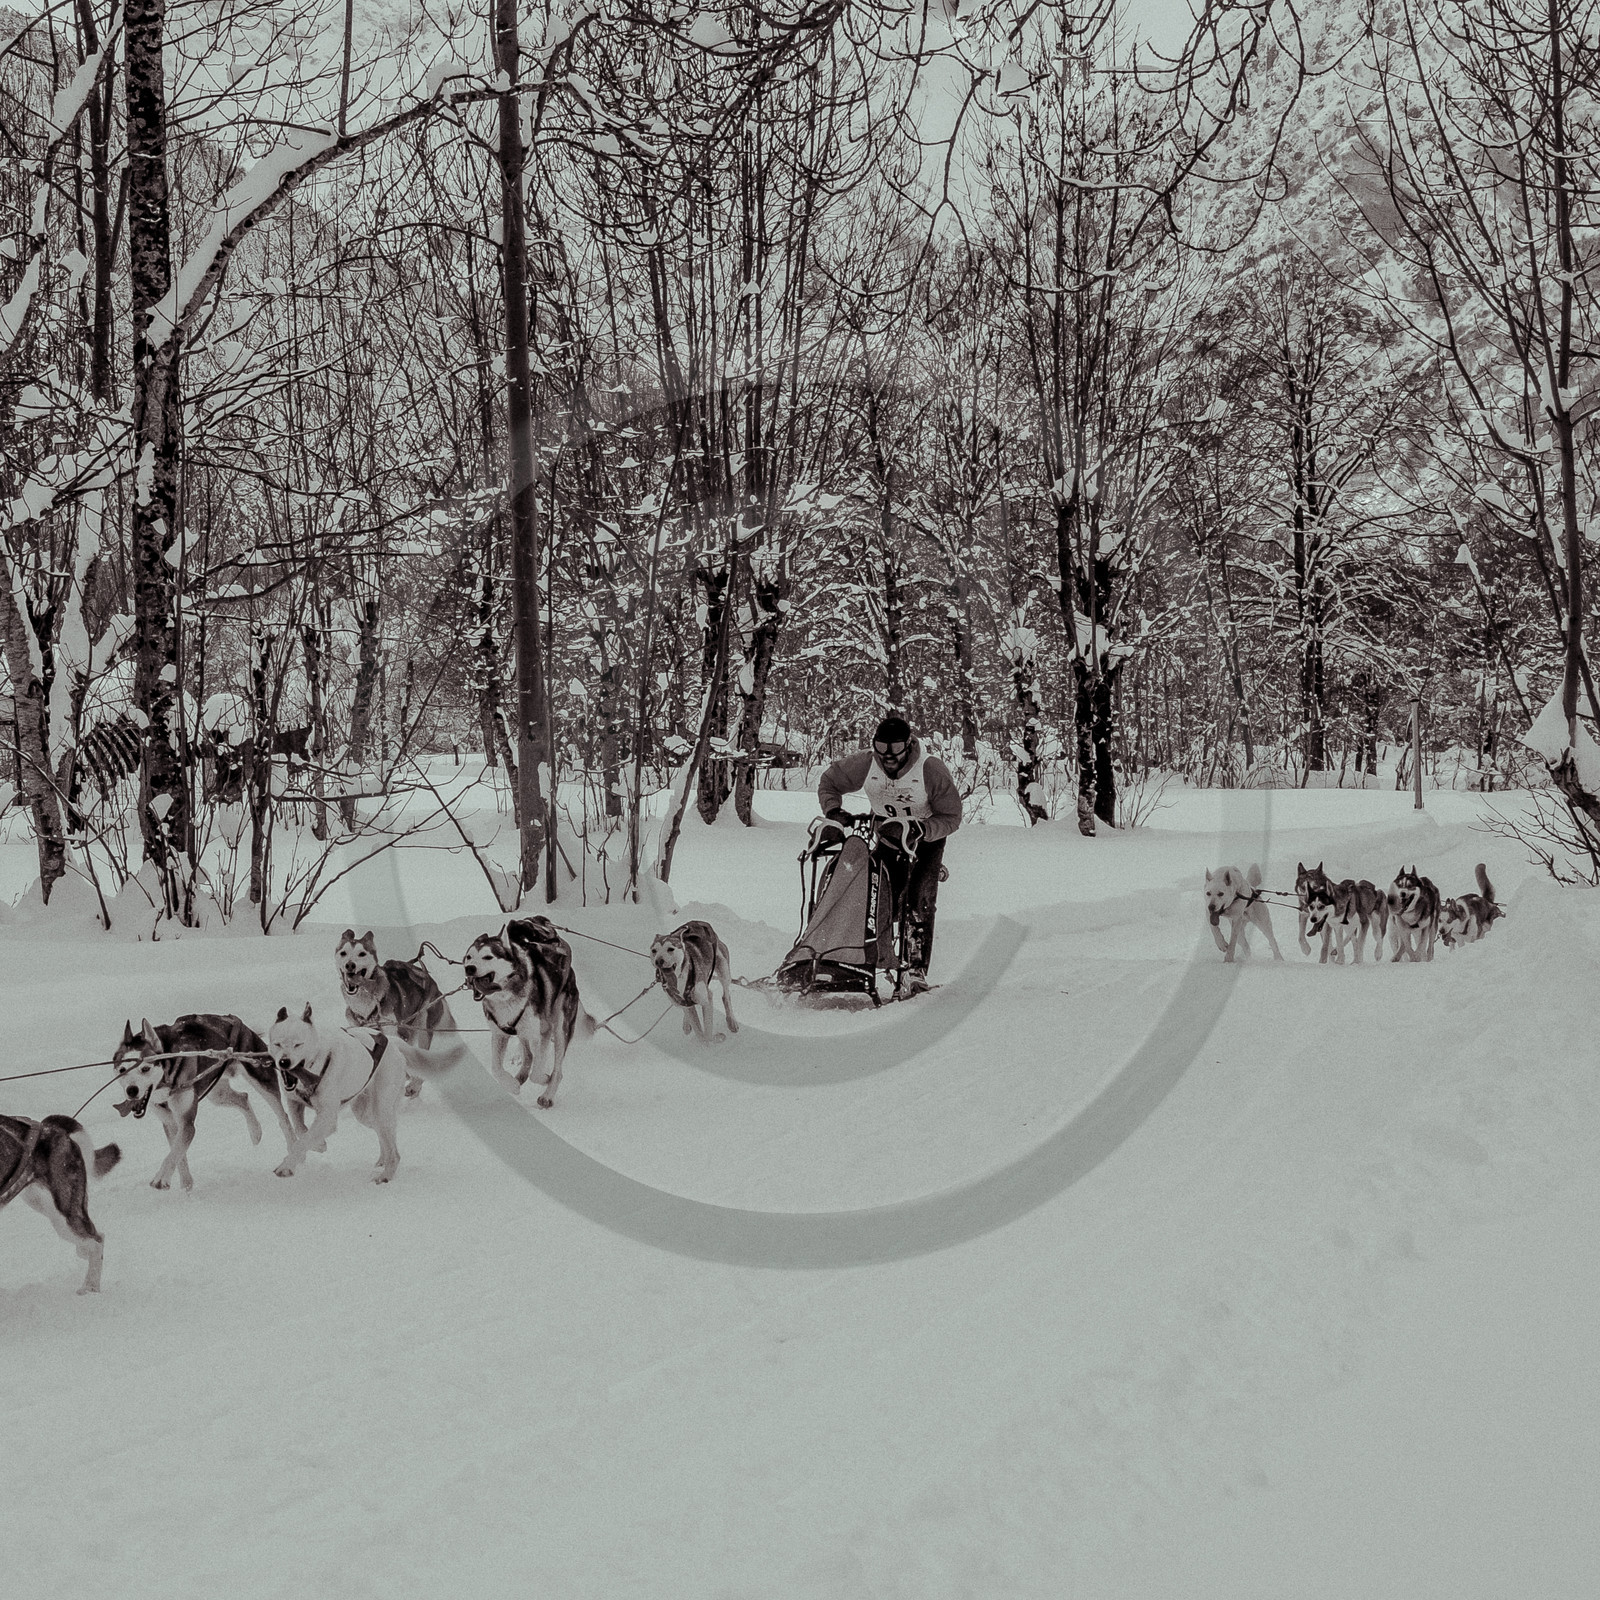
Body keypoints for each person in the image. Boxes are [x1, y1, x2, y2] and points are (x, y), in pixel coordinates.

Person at [816, 715, 962, 993]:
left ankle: (914, 969)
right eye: (880, 748)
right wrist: (833, 810)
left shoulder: (930, 769)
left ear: (908, 745)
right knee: (877, 898)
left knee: (918, 899)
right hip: (888, 835)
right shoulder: (867, 762)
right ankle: (864, 958)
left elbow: (952, 816)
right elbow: (829, 781)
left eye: (894, 749)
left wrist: (923, 829)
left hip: (926, 840)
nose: (887, 757)